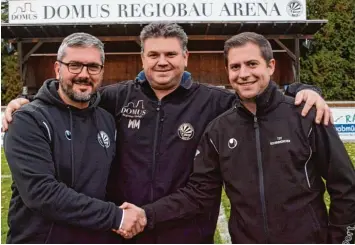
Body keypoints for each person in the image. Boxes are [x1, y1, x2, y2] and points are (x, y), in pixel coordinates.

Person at [2, 23, 331, 243]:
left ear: (185, 57)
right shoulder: (116, 97)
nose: (162, 62)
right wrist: (27, 101)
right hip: (122, 232)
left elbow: (257, 92)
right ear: (142, 57)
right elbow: (73, 92)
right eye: (154, 54)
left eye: (171, 54)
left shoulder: (214, 101)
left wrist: (303, 88)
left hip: (187, 234)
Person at [137, 32, 355, 243]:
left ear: (270, 66)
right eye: (235, 67)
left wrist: (342, 240)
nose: (243, 74)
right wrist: (146, 214)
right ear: (227, 72)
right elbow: (199, 193)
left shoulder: (306, 115)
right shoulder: (218, 130)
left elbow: (345, 186)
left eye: (252, 64)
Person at [3, 32, 146, 244]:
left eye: (93, 67)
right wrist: (117, 217)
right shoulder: (28, 120)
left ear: (101, 71)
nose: (84, 74)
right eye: (74, 65)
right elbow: (42, 194)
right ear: (57, 69)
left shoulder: (106, 118)